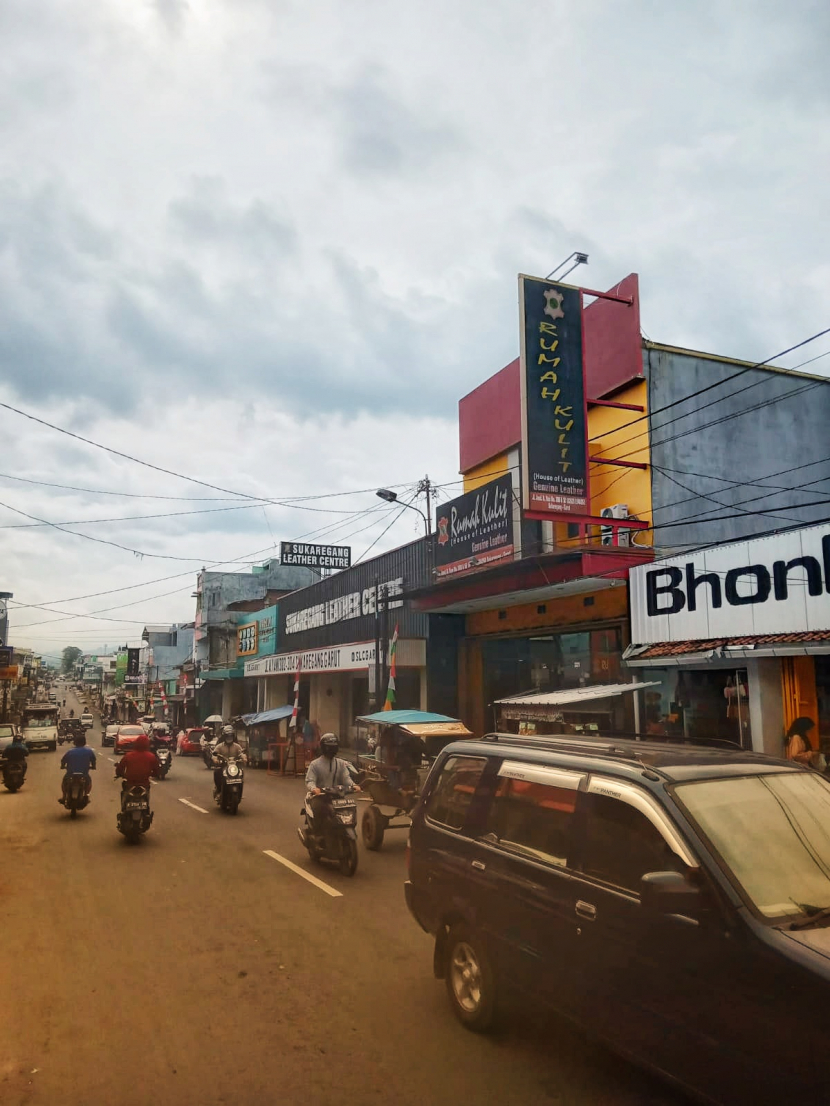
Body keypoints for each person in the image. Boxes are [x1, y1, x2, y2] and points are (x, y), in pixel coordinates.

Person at [305, 733, 359, 830]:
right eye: (329, 747)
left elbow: (346, 778)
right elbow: (310, 781)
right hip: (320, 797)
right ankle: (318, 835)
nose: (331, 750)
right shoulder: (315, 764)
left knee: (350, 809)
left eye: (334, 747)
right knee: (317, 810)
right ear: (323, 748)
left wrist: (353, 785)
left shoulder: (341, 763)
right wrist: (314, 789)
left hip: (337, 796)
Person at [59, 733, 97, 804]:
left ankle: (64, 797)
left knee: (64, 782)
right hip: (84, 775)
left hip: (70, 774)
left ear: (75, 742)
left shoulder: (70, 751)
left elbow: (63, 760)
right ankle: (86, 795)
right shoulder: (89, 751)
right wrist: (93, 766)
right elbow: (93, 760)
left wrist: (62, 766)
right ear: (84, 742)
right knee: (88, 783)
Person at [212, 725, 246, 796]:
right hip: (223, 766)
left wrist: (244, 758)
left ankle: (239, 790)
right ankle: (218, 789)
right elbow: (214, 754)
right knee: (216, 772)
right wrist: (215, 760)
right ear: (224, 736)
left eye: (230, 736)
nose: (229, 738)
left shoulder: (237, 746)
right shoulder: (220, 746)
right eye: (227, 736)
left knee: (241, 773)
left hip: (234, 766)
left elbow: (241, 753)